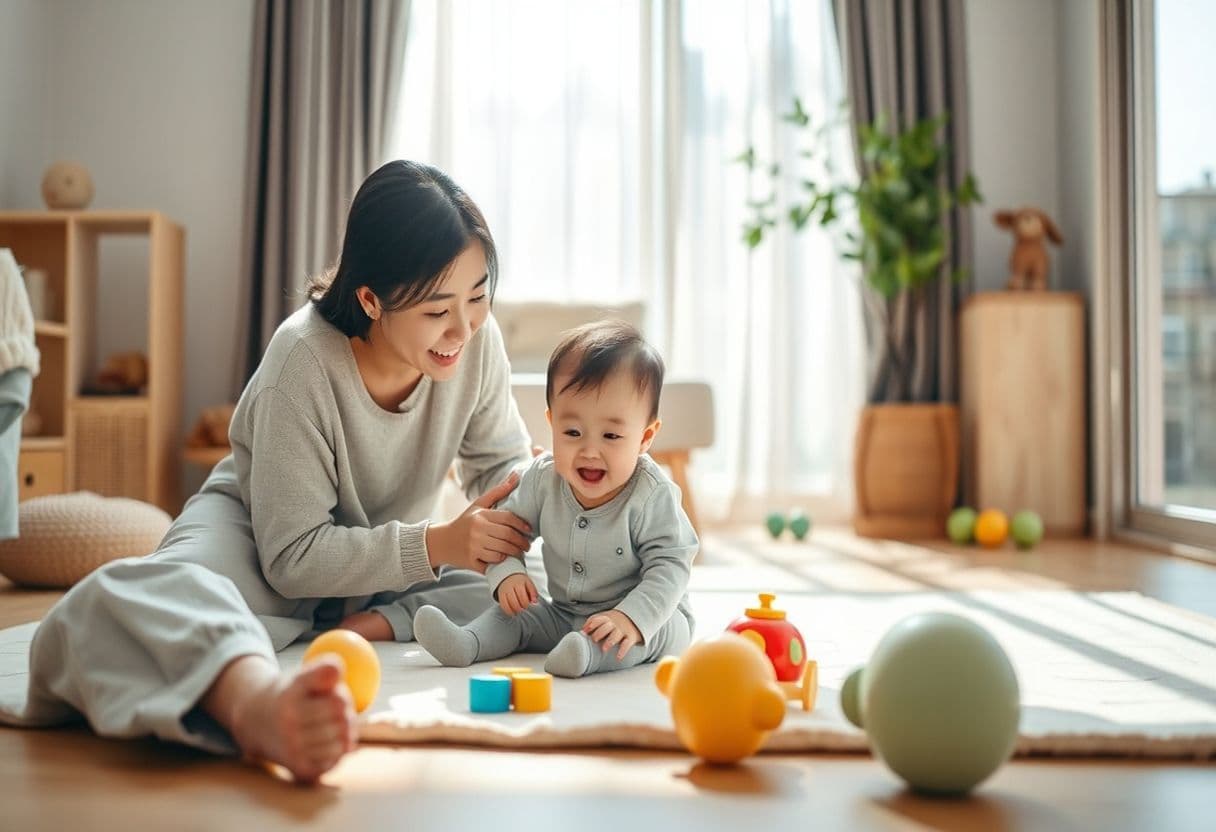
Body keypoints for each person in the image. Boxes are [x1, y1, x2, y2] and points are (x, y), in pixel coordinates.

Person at [14, 161, 536, 783]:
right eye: (437, 310)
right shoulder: (302, 360)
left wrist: (539, 514)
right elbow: (291, 557)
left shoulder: (478, 342)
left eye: (479, 297)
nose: (464, 327)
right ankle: (256, 704)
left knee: (527, 588)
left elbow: (503, 466)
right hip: (261, 536)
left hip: (384, 560)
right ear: (370, 299)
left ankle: (369, 625)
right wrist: (438, 543)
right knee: (142, 600)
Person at [413, 321, 698, 678]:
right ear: (551, 423)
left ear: (645, 437)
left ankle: (589, 655)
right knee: (516, 614)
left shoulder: (651, 494)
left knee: (645, 637)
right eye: (572, 432)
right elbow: (504, 533)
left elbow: (671, 566)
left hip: (648, 616)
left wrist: (630, 617)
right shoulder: (541, 479)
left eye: (611, 435)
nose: (589, 450)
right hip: (564, 614)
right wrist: (508, 575)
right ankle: (467, 642)